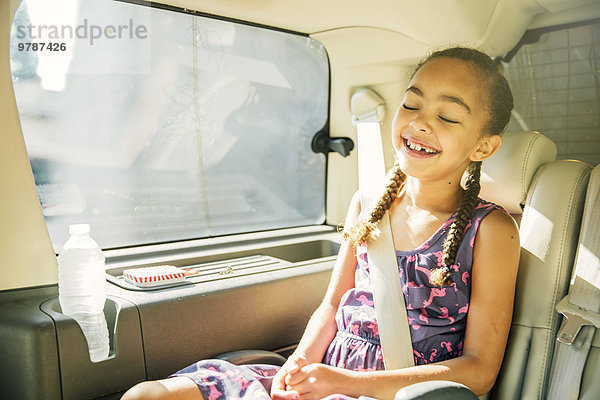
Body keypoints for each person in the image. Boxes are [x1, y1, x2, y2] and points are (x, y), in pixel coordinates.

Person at [121, 46, 520, 400]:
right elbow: (332, 306)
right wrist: (297, 366)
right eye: (411, 104)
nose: (419, 122)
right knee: (148, 395)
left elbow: (480, 370)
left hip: (392, 393)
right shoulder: (368, 204)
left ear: (483, 146)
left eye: (448, 116)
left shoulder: (490, 231)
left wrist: (346, 383)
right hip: (325, 378)